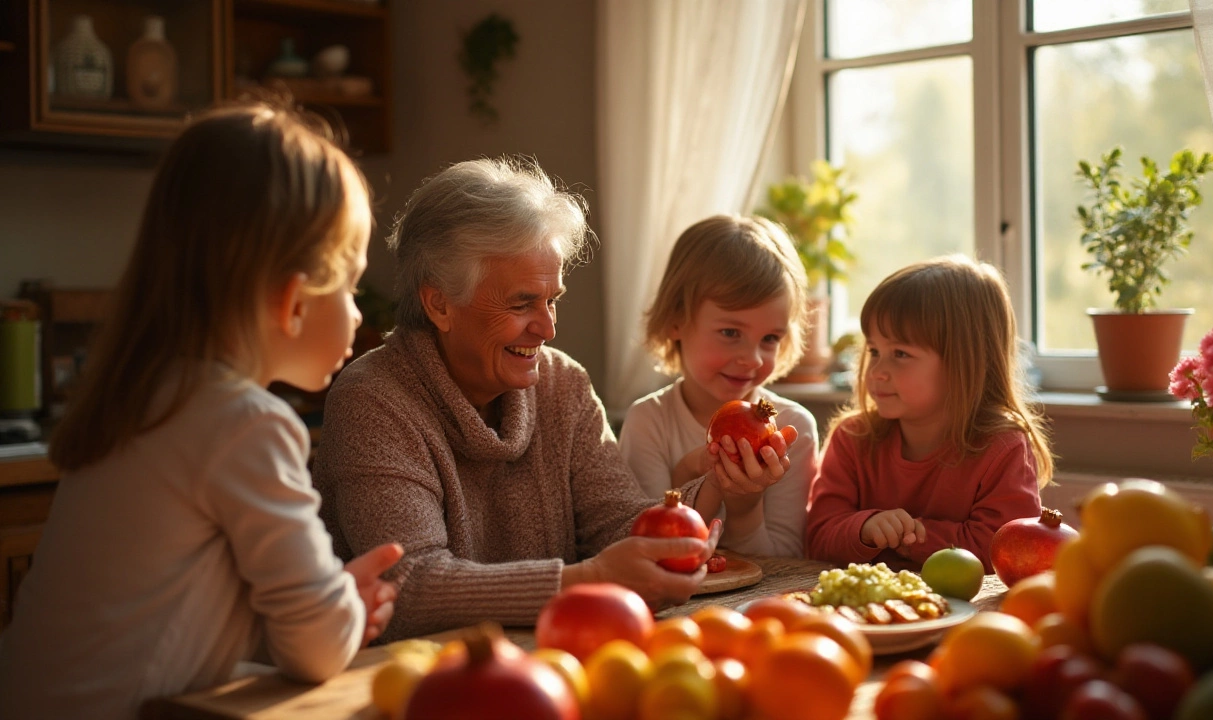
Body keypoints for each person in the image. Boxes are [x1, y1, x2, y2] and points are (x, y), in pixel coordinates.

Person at [0, 103, 403, 720]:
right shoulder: (247, 425)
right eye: (348, 285)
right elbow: (317, 651)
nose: (355, 312)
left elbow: (190, 620)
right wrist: (344, 605)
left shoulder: (142, 397)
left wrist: (319, 602)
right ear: (293, 300)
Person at [312, 156, 721, 641]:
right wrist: (589, 580)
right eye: (522, 303)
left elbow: (618, 523)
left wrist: (721, 486)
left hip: (547, 663)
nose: (548, 328)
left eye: (553, 300)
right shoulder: (373, 401)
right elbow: (409, 586)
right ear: (439, 303)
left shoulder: (563, 384)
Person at [805, 254, 1052, 573]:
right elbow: (817, 537)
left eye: (900, 354)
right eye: (874, 351)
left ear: (964, 363)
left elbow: (1004, 550)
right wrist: (866, 527)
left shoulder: (1003, 449)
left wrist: (909, 536)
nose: (877, 371)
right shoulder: (852, 439)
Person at [620, 215, 818, 557]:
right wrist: (696, 472)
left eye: (770, 338)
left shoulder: (793, 428)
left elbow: (785, 564)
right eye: (731, 333)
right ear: (676, 320)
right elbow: (654, 553)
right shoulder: (649, 422)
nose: (753, 359)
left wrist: (745, 508)